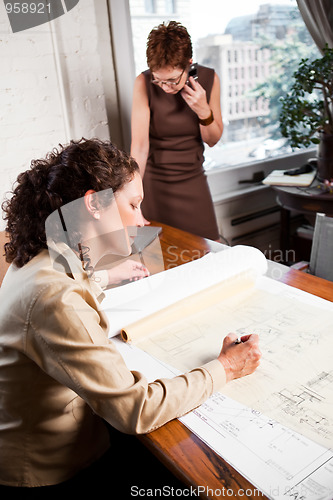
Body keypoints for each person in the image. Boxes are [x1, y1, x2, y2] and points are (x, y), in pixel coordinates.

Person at [0, 138, 261, 494]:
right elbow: (136, 411)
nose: (143, 219)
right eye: (134, 205)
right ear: (94, 203)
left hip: (60, 429)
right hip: (52, 468)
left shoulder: (40, 253)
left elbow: (66, 282)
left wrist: (107, 276)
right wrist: (227, 367)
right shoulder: (55, 298)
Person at [130, 21, 223, 241]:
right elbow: (140, 148)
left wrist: (203, 110)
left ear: (189, 64)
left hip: (193, 180)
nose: (165, 87)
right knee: (160, 254)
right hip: (154, 184)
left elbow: (212, 140)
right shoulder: (142, 83)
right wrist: (133, 197)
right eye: (159, 80)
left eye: (172, 80)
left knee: (209, 250)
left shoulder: (209, 79)